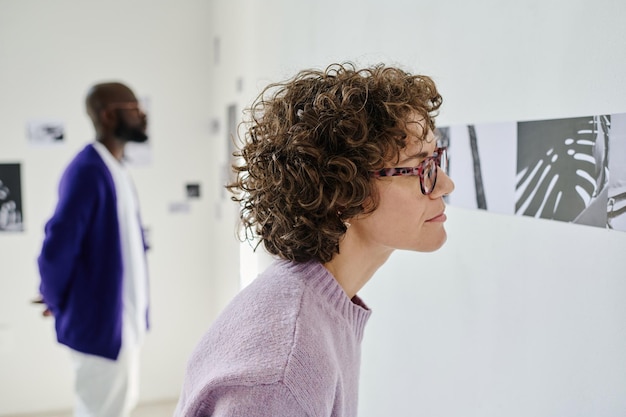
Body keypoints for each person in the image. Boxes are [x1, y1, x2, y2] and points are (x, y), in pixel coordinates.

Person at [173, 63, 455, 417]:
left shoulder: (314, 306)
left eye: (437, 160)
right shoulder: (281, 376)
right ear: (343, 193)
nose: (445, 185)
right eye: (419, 167)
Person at [36, 81, 150, 417]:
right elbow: (56, 247)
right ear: (109, 115)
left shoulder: (116, 169)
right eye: (135, 108)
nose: (143, 116)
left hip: (122, 323)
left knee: (116, 407)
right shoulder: (88, 171)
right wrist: (55, 298)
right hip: (101, 326)